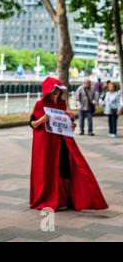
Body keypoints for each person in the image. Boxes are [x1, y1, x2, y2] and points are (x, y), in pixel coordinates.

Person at [29, 77, 108, 211]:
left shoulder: (62, 104)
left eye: (58, 90)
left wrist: (70, 125)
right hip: (46, 144)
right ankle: (47, 197)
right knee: (47, 169)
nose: (56, 93)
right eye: (53, 90)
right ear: (47, 91)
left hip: (61, 142)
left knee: (66, 169)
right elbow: (33, 124)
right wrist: (42, 120)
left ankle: (68, 197)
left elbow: (63, 121)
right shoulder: (39, 105)